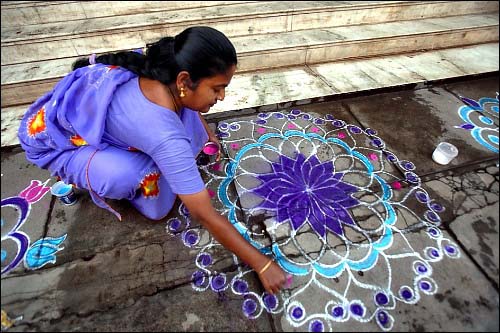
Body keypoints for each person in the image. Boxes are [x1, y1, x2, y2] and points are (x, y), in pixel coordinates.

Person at [17, 26, 286, 294]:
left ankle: (130, 157)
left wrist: (205, 130)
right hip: (58, 145)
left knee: (189, 138)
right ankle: (77, 177)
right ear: (183, 81)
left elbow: (190, 105)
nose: (222, 96)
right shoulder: (163, 133)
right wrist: (260, 264)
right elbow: (203, 213)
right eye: (217, 88)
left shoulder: (161, 73)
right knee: (152, 198)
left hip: (94, 122)